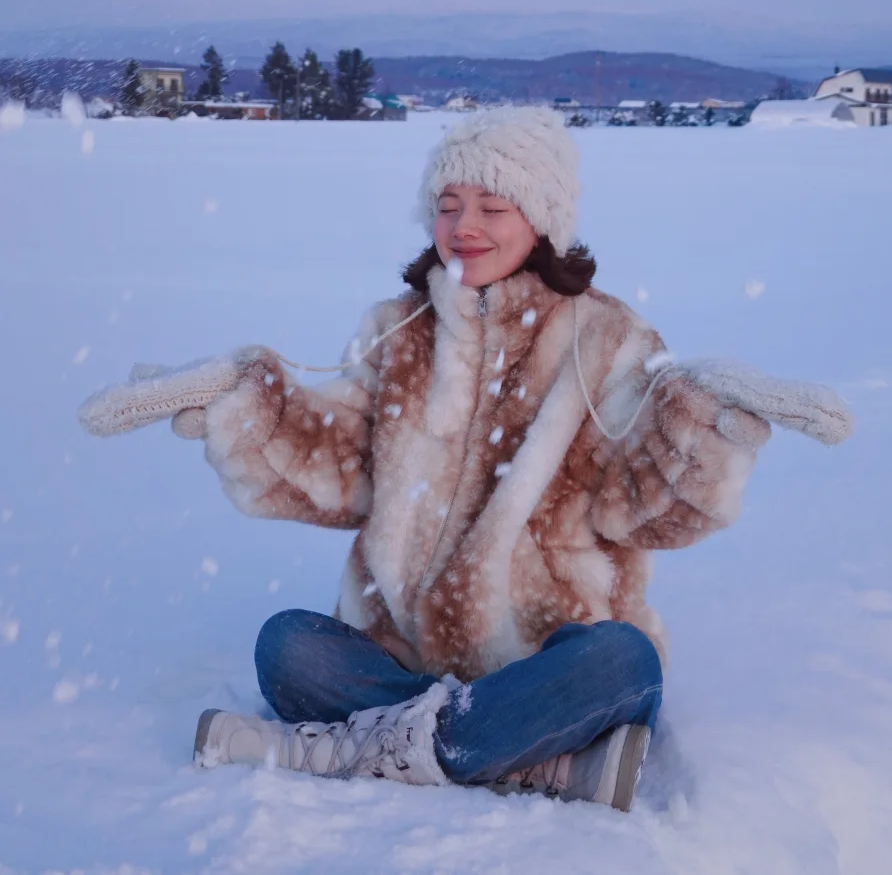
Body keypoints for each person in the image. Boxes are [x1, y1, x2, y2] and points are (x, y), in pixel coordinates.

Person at [132, 108, 780, 809]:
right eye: (448, 207)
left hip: (548, 664)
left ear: (542, 219)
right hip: (405, 656)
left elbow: (633, 501)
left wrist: (700, 438)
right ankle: (522, 758)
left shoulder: (605, 337)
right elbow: (344, 467)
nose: (464, 226)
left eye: (492, 206)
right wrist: (249, 416)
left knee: (626, 662)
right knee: (287, 646)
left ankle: (352, 747)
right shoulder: (399, 329)